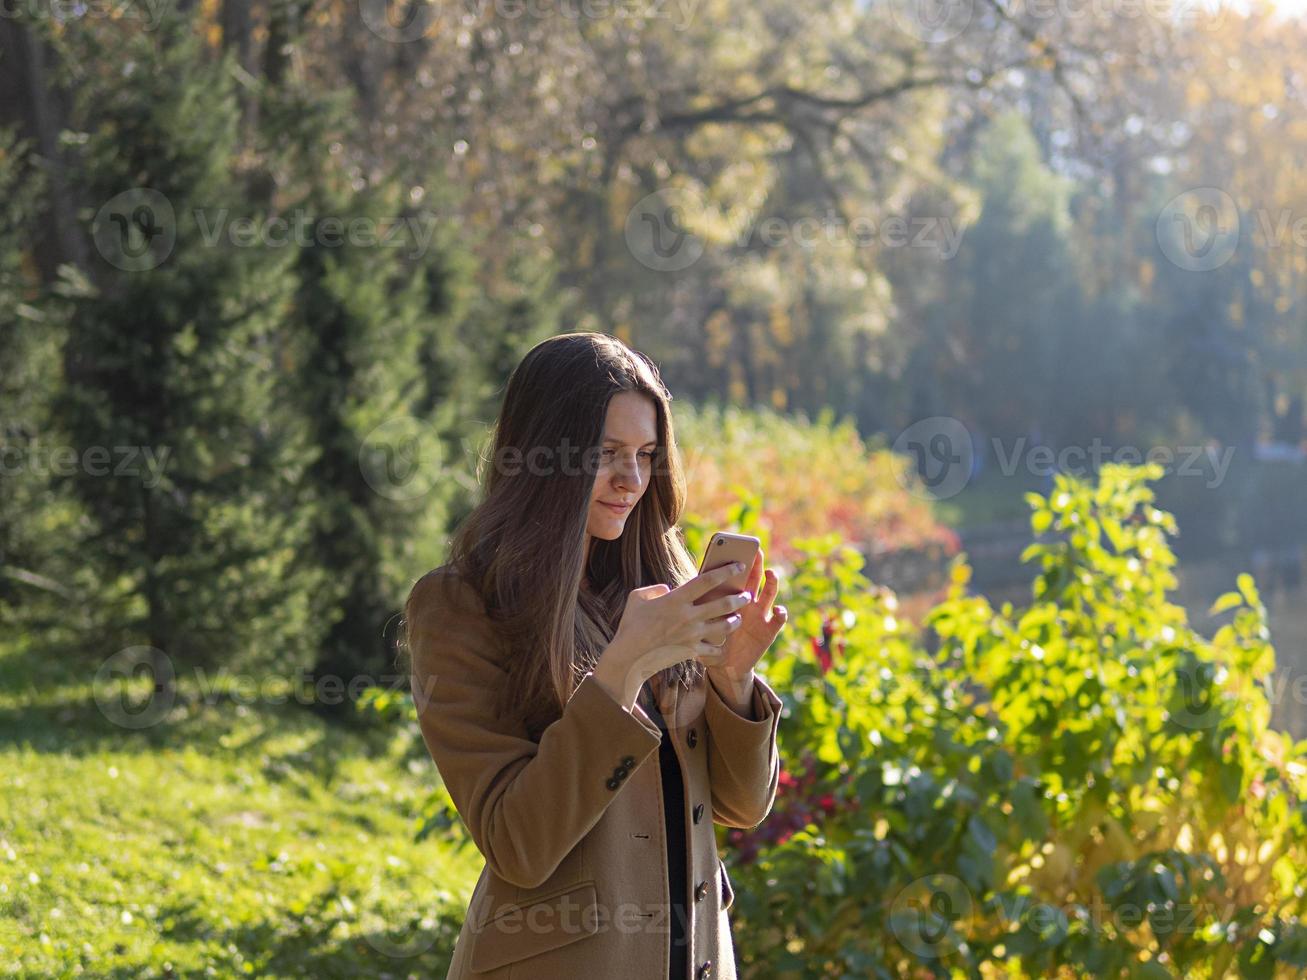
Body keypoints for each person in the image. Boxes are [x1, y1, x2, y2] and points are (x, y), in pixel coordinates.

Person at [403, 331, 788, 979]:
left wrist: (733, 678)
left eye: (644, 455)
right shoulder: (461, 606)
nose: (630, 480)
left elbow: (742, 808)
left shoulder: (657, 583)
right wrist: (622, 670)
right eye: (605, 454)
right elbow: (517, 844)